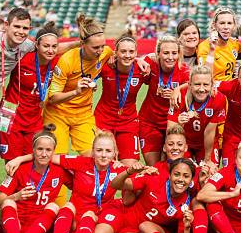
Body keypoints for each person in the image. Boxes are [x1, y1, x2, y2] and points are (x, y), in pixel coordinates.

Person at [6, 131, 127, 233]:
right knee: (68, 206)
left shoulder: (119, 169)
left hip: (99, 215)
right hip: (75, 215)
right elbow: (46, 155)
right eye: (99, 150)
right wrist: (20, 158)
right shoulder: (80, 162)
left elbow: (138, 175)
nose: (103, 155)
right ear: (92, 151)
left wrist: (146, 169)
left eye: (108, 151)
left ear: (115, 153)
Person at [0, 124, 71, 233]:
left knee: (54, 206)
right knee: (8, 203)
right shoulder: (19, 169)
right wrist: (16, 196)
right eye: (40, 149)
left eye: (48, 150)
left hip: (39, 227)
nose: (43, 154)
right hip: (15, 225)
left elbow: (79, 185)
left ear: (54, 152)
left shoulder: (59, 171)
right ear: (33, 150)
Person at [44, 14, 113, 158]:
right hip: (58, 113)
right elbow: (52, 98)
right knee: (57, 160)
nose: (100, 51)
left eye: (102, 46)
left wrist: (142, 60)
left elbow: (122, 56)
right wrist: (76, 92)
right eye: (95, 47)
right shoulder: (67, 61)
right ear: (82, 44)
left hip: (83, 114)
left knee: (96, 156)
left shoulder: (105, 52)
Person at [114, 158, 208, 233]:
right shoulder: (154, 179)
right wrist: (129, 171)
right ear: (169, 175)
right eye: (176, 174)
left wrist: (186, 228)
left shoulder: (185, 205)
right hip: (126, 220)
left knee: (140, 232)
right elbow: (115, 185)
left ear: (191, 181)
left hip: (148, 231)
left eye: (186, 176)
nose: (180, 179)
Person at [0, 22, 61, 161]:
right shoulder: (22, 59)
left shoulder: (57, 63)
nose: (50, 50)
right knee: (10, 160)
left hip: (34, 116)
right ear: (37, 45)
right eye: (46, 46)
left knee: (33, 159)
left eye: (54, 46)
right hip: (9, 112)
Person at [95, 31, 144, 166]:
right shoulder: (105, 67)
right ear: (115, 52)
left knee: (130, 168)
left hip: (128, 123)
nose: (127, 55)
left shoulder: (143, 70)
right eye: (123, 51)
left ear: (136, 53)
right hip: (103, 120)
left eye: (131, 52)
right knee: (103, 165)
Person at [139, 35, 190, 166]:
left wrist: (179, 88)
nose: (170, 57)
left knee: (171, 165)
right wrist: (138, 59)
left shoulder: (184, 70)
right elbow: (133, 59)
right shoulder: (150, 63)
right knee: (154, 167)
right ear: (158, 54)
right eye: (166, 53)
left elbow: (196, 83)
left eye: (174, 53)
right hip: (149, 122)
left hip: (173, 123)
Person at [167, 65, 226, 168]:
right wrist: (179, 124)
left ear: (212, 85)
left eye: (206, 85)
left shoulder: (218, 99)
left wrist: (207, 160)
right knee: (181, 170)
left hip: (205, 145)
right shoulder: (178, 96)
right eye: (197, 84)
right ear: (189, 85)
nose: (202, 89)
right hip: (183, 142)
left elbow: (209, 132)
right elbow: (169, 131)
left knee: (209, 172)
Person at [197, 6, 241, 82]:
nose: (226, 27)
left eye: (229, 23)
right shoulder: (204, 47)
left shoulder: (235, 44)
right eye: (222, 23)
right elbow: (204, 76)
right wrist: (212, 50)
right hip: (213, 90)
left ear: (234, 26)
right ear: (214, 25)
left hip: (230, 89)